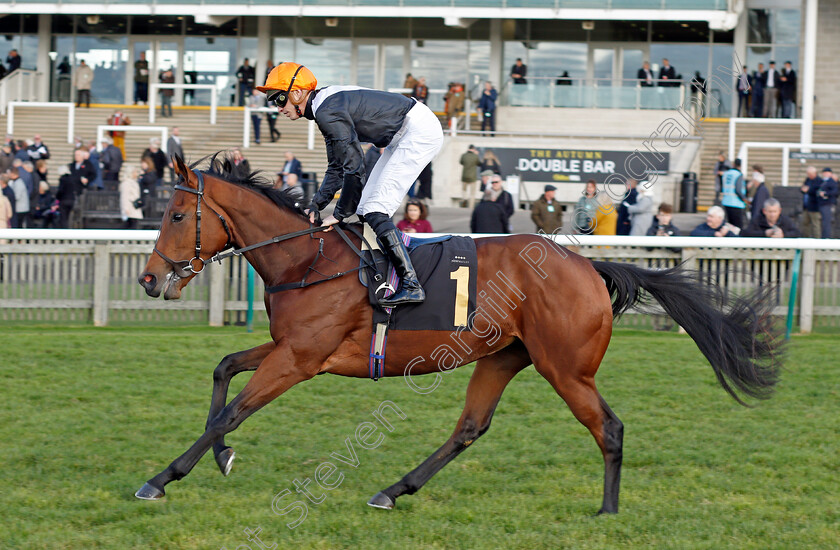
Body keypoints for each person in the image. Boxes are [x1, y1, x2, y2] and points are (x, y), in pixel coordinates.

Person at [257, 62, 444, 306]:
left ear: (297, 93)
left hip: (417, 131)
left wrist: (340, 213)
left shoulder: (327, 111)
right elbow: (336, 166)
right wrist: (316, 204)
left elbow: (355, 169)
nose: (278, 107)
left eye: (279, 99)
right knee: (365, 208)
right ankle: (383, 276)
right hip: (405, 130)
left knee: (375, 208)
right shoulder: (323, 106)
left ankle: (411, 283)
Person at [720, 158, 747, 229]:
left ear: (733, 164)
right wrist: (744, 199)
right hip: (736, 204)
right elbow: (738, 190)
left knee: (729, 226)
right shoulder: (738, 174)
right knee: (738, 227)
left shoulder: (725, 174)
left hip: (726, 202)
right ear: (740, 166)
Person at [800, 166, 822, 238]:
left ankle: (817, 240)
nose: (809, 175)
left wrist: (808, 190)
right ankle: (806, 239)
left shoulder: (819, 180)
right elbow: (803, 188)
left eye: (810, 174)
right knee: (805, 223)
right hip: (806, 206)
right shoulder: (808, 180)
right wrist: (803, 189)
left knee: (815, 225)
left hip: (814, 206)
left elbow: (817, 192)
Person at [119, 164, 143, 229]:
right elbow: (124, 197)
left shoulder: (134, 182)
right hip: (130, 209)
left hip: (134, 208)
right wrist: (125, 209)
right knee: (130, 227)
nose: (137, 173)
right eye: (135, 172)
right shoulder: (126, 183)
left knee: (133, 225)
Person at [816, 168, 838, 239]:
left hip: (828, 204)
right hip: (822, 204)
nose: (825, 174)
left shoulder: (832, 182)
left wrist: (825, 194)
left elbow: (835, 192)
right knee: (823, 222)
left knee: (827, 222)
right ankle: (824, 237)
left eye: (827, 172)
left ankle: (826, 238)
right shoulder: (823, 182)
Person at [459, 144, 480, 210]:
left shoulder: (463, 155)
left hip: (464, 176)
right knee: (472, 193)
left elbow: (461, 162)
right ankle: (471, 206)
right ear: (473, 149)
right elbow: (479, 163)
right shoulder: (475, 156)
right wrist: (476, 155)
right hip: (472, 177)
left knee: (464, 191)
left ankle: (464, 200)